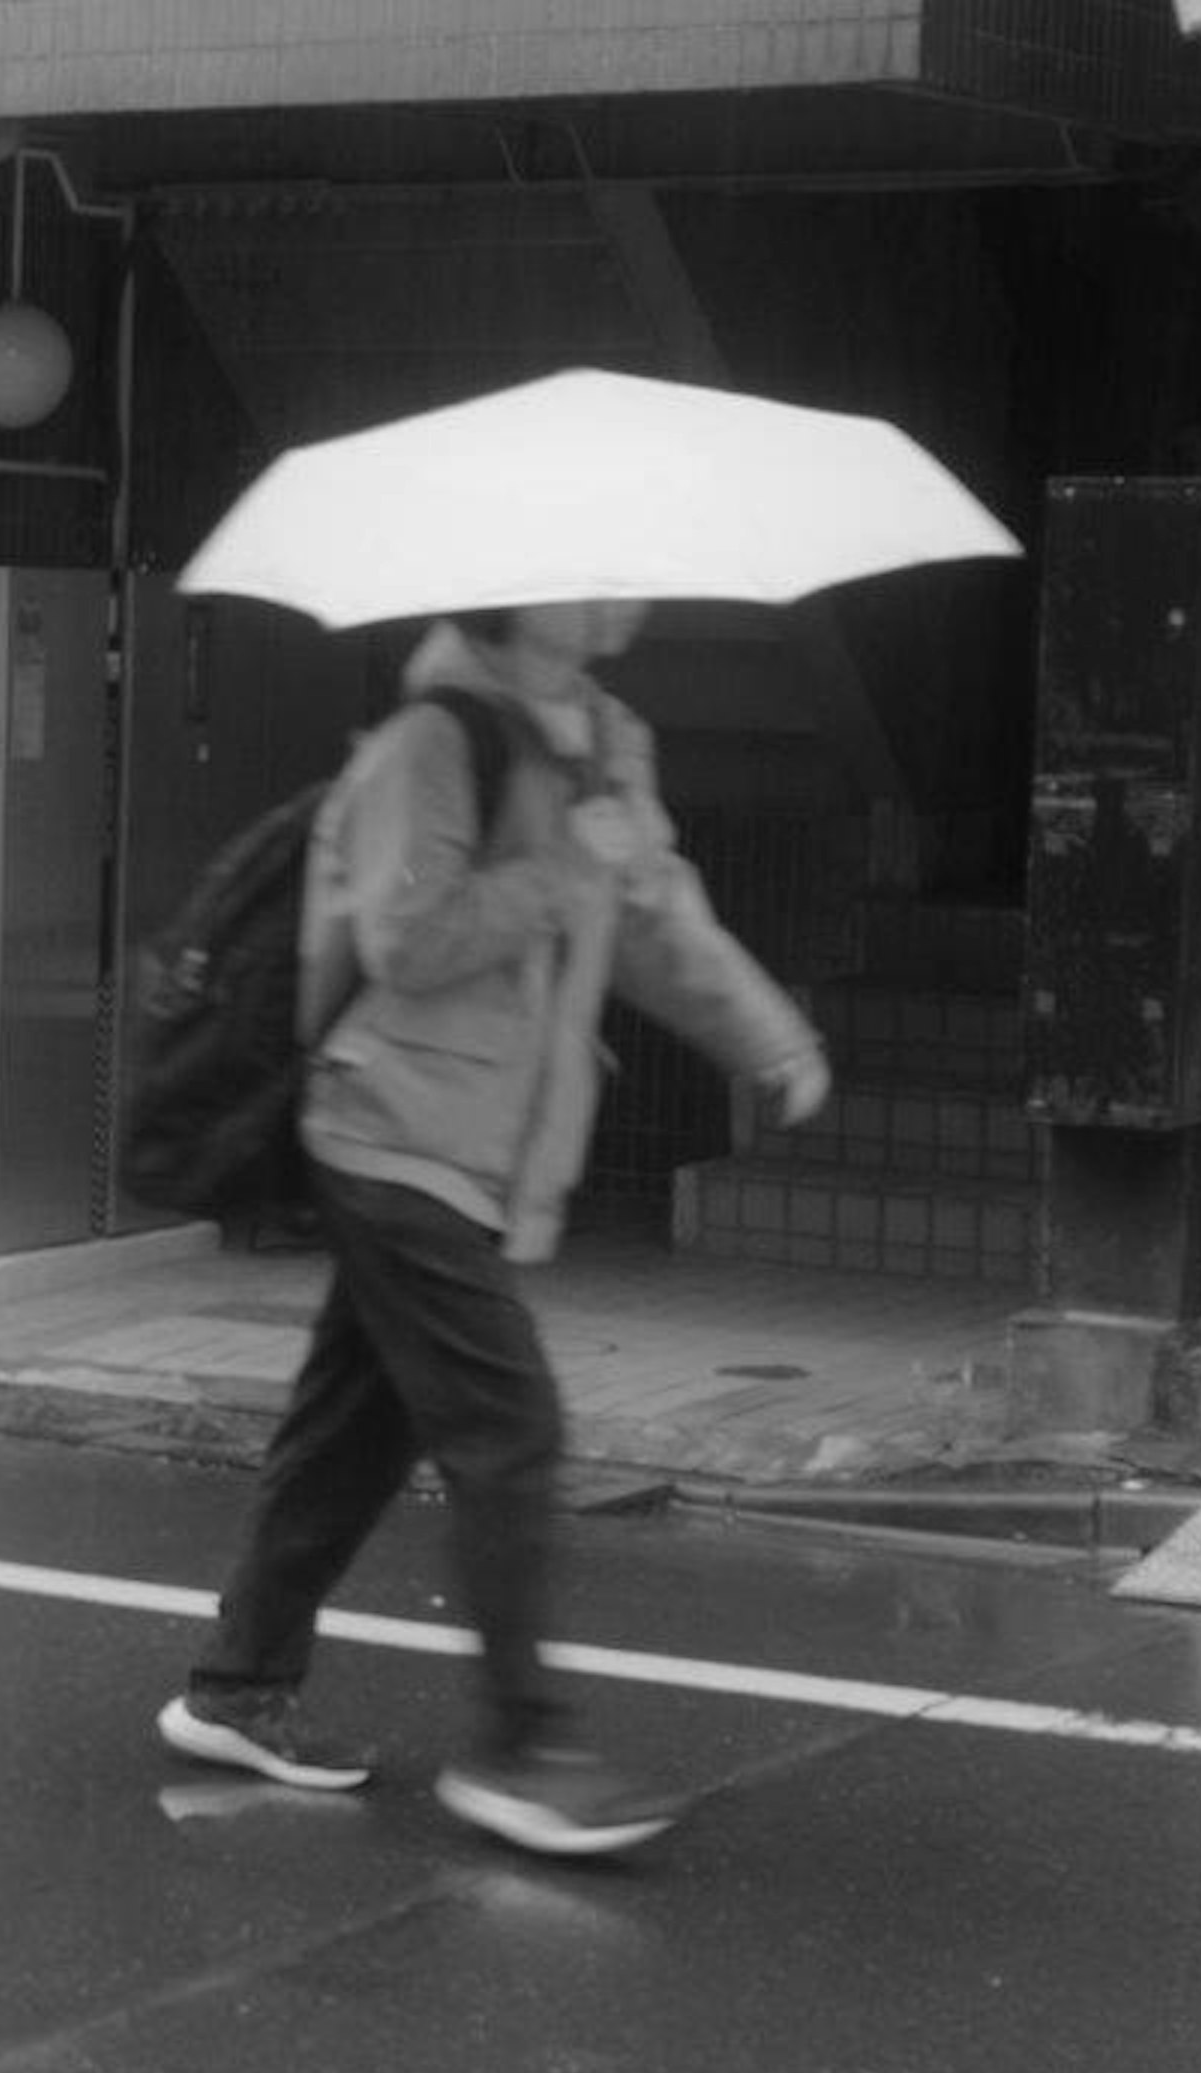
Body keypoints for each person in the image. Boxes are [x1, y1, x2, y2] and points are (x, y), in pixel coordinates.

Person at [155, 599, 831, 1856]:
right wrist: (565, 869)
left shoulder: (606, 737)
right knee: (511, 1428)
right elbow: (410, 939)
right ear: (529, 594)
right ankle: (523, 1749)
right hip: (392, 1130)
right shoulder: (433, 740)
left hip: (477, 1145)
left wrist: (769, 1034)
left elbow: (650, 919)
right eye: (599, 571)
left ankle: (238, 1688)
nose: (628, 595)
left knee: (355, 1426)